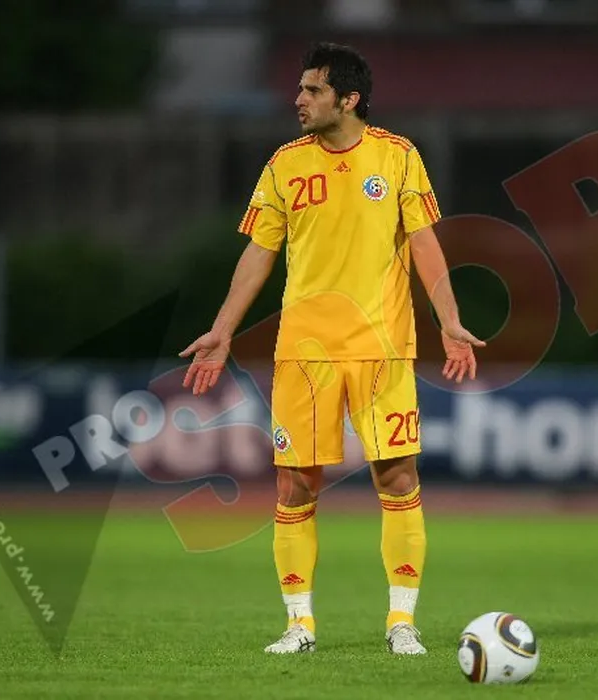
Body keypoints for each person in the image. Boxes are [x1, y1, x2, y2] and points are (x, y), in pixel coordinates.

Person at [179, 41, 484, 655]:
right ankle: (300, 626)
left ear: (348, 99)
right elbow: (259, 252)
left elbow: (424, 242)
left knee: (397, 477)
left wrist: (449, 319)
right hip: (305, 353)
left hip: (381, 349)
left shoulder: (398, 156)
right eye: (300, 88)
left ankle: (401, 622)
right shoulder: (285, 164)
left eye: (312, 90)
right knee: (294, 487)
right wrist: (223, 328)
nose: (298, 99)